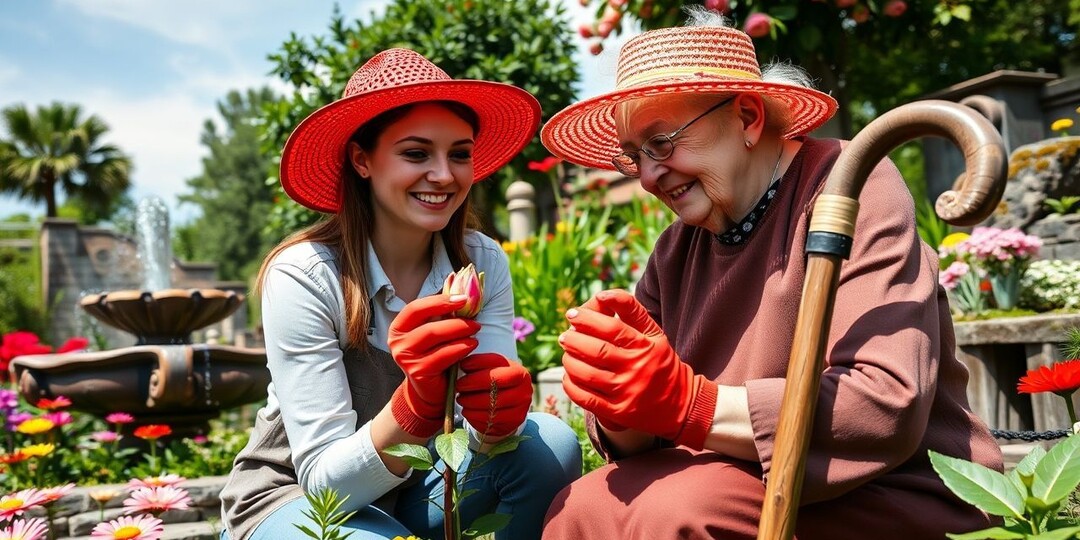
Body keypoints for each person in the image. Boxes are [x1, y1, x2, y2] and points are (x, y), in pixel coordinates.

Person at [538, 10, 1002, 540]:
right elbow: (644, 431)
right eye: (633, 155)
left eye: (662, 143)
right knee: (578, 506)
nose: (646, 175)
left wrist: (691, 403)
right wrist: (619, 398)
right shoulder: (675, 250)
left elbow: (881, 406)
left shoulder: (850, 188)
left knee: (675, 510)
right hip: (740, 483)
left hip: (894, 492)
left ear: (748, 118)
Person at [219, 48, 582, 540]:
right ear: (362, 159)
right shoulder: (306, 275)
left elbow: (488, 438)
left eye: (459, 153)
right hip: (297, 500)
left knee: (552, 443)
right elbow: (325, 485)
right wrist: (414, 406)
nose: (444, 175)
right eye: (416, 153)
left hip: (420, 487)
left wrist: (497, 420)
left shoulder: (482, 262)